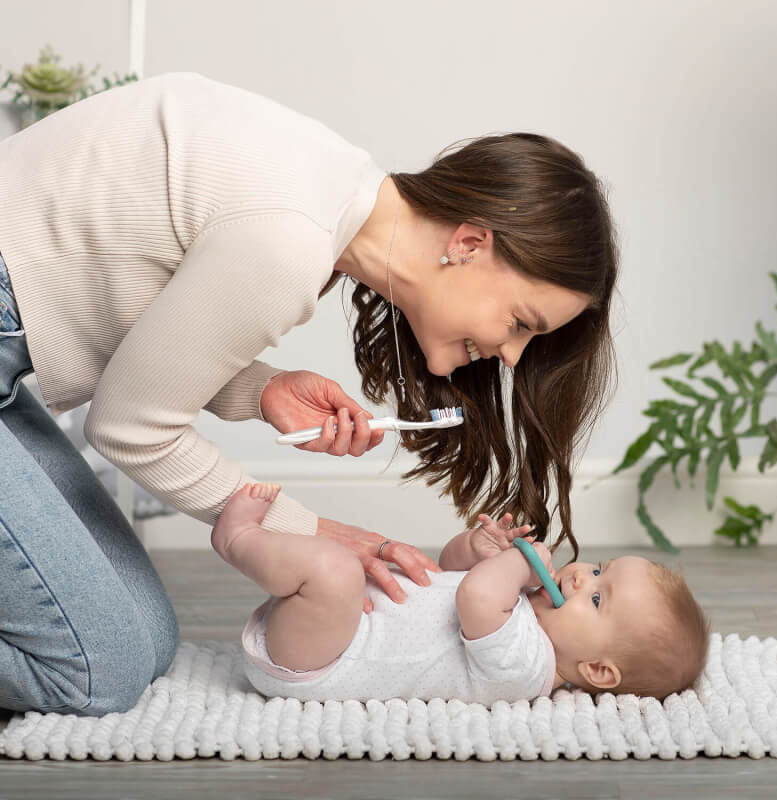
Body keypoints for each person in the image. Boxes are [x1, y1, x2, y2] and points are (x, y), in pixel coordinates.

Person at [0, 72, 618, 715]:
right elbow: (130, 428)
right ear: (468, 243)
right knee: (102, 668)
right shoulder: (289, 244)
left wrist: (262, 390)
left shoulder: (326, 199)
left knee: (147, 639)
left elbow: (118, 299)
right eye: (521, 323)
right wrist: (309, 531)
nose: (512, 355)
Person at [219, 484, 710, 703]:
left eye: (598, 598)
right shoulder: (522, 613)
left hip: (318, 662)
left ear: (597, 670)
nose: (581, 576)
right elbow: (450, 574)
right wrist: (478, 548)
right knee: (341, 571)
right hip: (332, 627)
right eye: (599, 568)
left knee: (336, 569)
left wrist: (516, 564)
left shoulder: (529, 667)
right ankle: (278, 563)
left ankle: (238, 541)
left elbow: (472, 598)